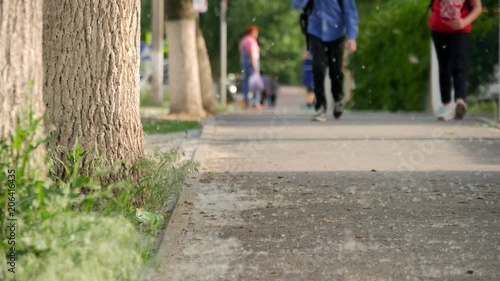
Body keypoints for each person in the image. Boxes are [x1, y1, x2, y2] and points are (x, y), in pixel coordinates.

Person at [293, 0, 359, 122]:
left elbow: (350, 13)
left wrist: (351, 37)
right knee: (318, 67)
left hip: (337, 33)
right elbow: (296, 5)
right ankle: (320, 107)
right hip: (315, 31)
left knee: (336, 70)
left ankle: (338, 98)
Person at [429, 0, 482, 120]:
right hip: (439, 29)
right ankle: (446, 105)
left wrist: (464, 22)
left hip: (460, 30)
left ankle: (460, 101)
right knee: (443, 66)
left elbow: (477, 7)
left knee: (458, 65)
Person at [239, 25, 263, 110]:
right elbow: (252, 54)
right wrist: (255, 67)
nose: (257, 34)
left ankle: (246, 103)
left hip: (245, 63)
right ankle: (256, 102)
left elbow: (241, 53)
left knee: (246, 83)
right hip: (252, 62)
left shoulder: (243, 40)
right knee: (255, 83)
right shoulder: (251, 41)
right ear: (252, 32)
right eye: (256, 32)